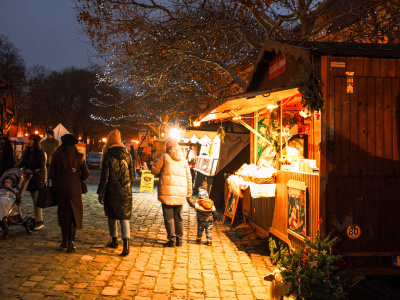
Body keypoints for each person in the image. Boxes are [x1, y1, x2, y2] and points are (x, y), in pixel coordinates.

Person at [49, 134, 89, 253]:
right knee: (74, 215)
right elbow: (86, 174)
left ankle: (64, 241)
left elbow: (51, 175)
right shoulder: (79, 157)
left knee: (64, 214)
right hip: (75, 189)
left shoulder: (57, 156)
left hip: (61, 189)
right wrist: (77, 177)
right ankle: (72, 242)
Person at [97, 129, 133, 256]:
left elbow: (105, 177)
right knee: (124, 217)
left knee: (111, 215)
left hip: (112, 190)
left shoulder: (108, 155)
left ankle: (114, 240)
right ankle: (126, 245)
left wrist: (101, 192)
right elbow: (132, 175)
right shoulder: (128, 155)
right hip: (125, 190)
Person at [151, 138, 192, 247]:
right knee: (178, 217)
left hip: (167, 192)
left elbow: (154, 171)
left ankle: (172, 239)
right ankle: (180, 239)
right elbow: (189, 177)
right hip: (180, 192)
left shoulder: (164, 156)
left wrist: (154, 162)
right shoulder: (183, 159)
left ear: (168, 147)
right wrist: (189, 193)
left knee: (169, 217)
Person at [18, 134, 46, 230]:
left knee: (36, 200)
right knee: (31, 199)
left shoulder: (40, 153)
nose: (29, 141)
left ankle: (40, 220)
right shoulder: (27, 152)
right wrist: (17, 168)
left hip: (37, 179)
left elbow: (41, 165)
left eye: (31, 139)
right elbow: (22, 163)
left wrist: (34, 171)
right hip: (29, 179)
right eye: (29, 139)